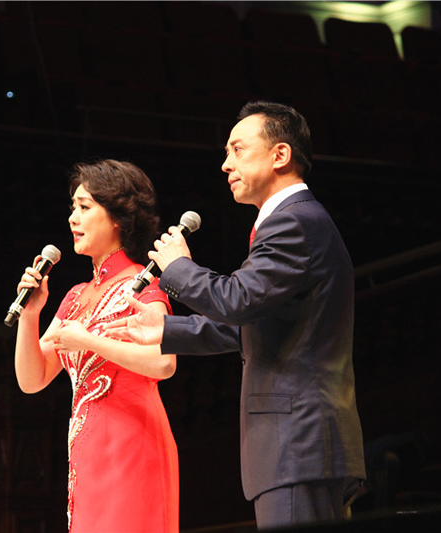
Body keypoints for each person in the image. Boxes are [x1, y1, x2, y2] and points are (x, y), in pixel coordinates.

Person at [105, 101, 366, 529]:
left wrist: (178, 268)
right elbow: (249, 323)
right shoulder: (292, 220)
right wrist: (165, 328)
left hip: (298, 441)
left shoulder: (294, 222)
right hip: (298, 446)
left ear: (280, 155)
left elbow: (238, 300)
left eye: (238, 150)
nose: (226, 165)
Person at [14, 159, 179, 533]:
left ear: (118, 217)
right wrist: (31, 314)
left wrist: (88, 340)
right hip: (86, 452)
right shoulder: (75, 296)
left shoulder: (143, 283)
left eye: (85, 207)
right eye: (73, 207)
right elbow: (31, 379)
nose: (73, 217)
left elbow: (163, 363)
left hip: (132, 443)